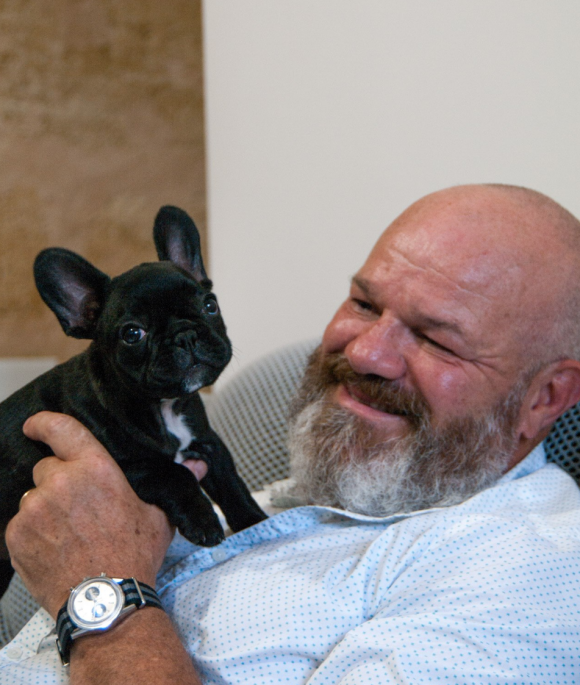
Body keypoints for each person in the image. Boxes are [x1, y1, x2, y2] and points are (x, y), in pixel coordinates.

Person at [2, 183, 580, 684]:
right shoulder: (351, 481)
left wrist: (105, 597)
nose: (366, 351)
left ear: (546, 397)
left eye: (437, 339)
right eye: (363, 302)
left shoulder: (530, 576)